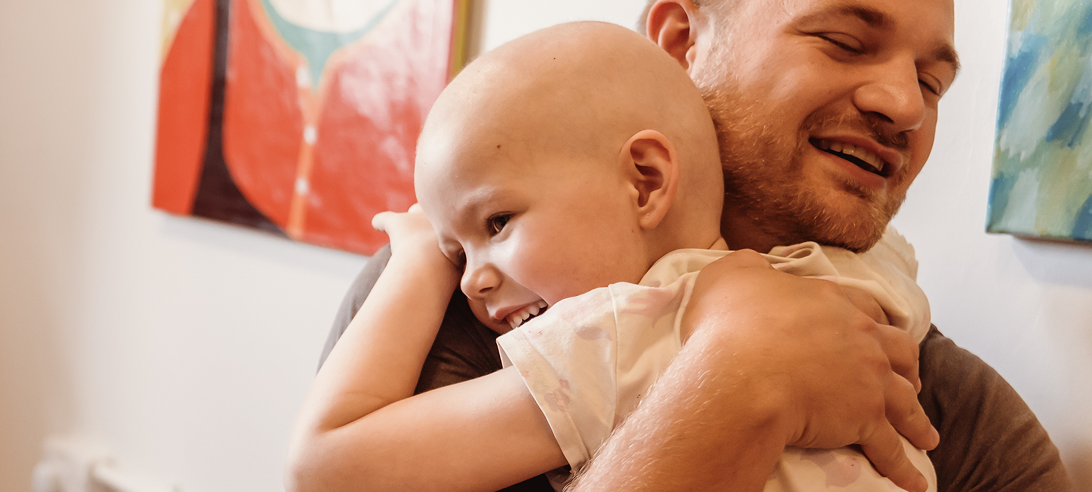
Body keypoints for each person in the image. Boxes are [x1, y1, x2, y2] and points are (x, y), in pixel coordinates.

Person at [315, 0, 1072, 490]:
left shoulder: (967, 420)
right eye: (843, 41)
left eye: (932, 83)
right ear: (683, 40)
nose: (904, 105)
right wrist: (739, 375)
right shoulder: (469, 305)